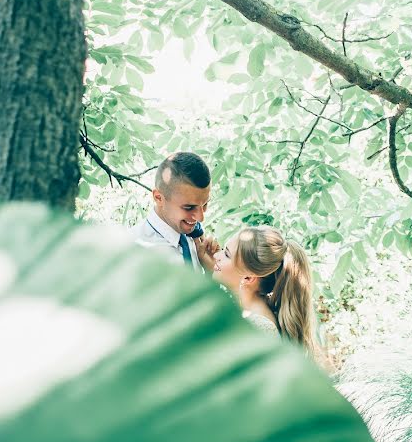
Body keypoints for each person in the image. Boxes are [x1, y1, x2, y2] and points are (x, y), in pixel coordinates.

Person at [206, 225, 318, 354]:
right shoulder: (248, 310)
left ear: (248, 278)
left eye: (226, 254)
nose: (216, 255)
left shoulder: (258, 327)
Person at [131, 152, 219, 270]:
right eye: (189, 207)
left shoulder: (195, 239)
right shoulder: (136, 253)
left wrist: (212, 273)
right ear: (159, 198)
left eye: (205, 204)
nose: (201, 218)